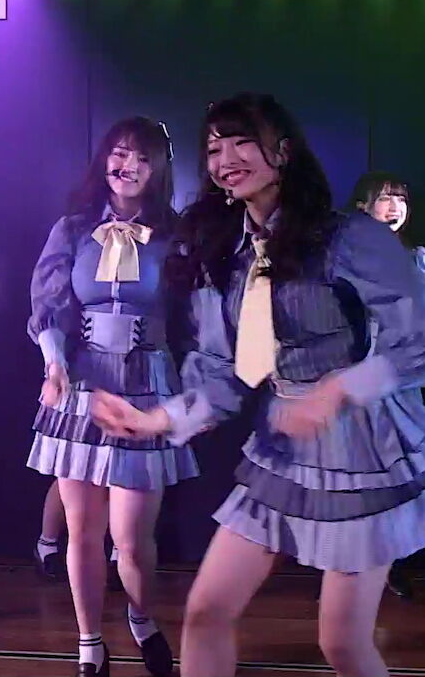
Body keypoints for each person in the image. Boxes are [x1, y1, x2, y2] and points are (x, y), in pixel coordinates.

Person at [93, 93, 425, 677]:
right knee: (205, 613)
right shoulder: (228, 255)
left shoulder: (350, 237)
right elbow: (222, 369)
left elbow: (417, 338)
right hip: (282, 450)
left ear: (284, 151)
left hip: (363, 450)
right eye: (213, 148)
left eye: (241, 142)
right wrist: (157, 420)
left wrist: (338, 390)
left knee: (343, 644)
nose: (226, 159)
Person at [27, 117, 199, 677]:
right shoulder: (74, 229)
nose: (128, 166)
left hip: (147, 382)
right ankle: (89, 643)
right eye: (120, 154)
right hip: (82, 381)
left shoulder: (176, 234)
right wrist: (54, 362)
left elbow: (196, 319)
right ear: (104, 160)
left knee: (132, 538)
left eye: (142, 158)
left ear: (159, 170)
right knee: (82, 529)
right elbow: (49, 306)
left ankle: (142, 617)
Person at [349, 170, 425, 600]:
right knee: (357, 481)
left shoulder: (417, 260)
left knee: (401, 478)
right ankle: (347, 570)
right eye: (385, 198)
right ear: (363, 207)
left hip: (403, 385)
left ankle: (390, 567)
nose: (394, 207)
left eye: (401, 199)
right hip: (354, 384)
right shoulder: (342, 258)